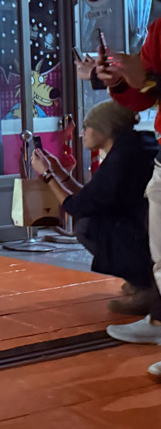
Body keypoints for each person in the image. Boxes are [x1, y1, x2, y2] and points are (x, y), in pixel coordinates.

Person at [88, 0, 161, 375]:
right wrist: (117, 79)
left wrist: (147, 78)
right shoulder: (158, 29)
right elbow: (141, 96)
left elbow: (151, 84)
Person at [32, 102, 157, 314]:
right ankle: (143, 280)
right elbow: (92, 197)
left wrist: (47, 175)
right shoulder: (134, 147)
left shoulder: (121, 159)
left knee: (86, 226)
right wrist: (58, 171)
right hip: (145, 224)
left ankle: (145, 286)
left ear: (103, 128)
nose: (82, 133)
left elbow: (77, 207)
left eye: (86, 127)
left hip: (142, 230)